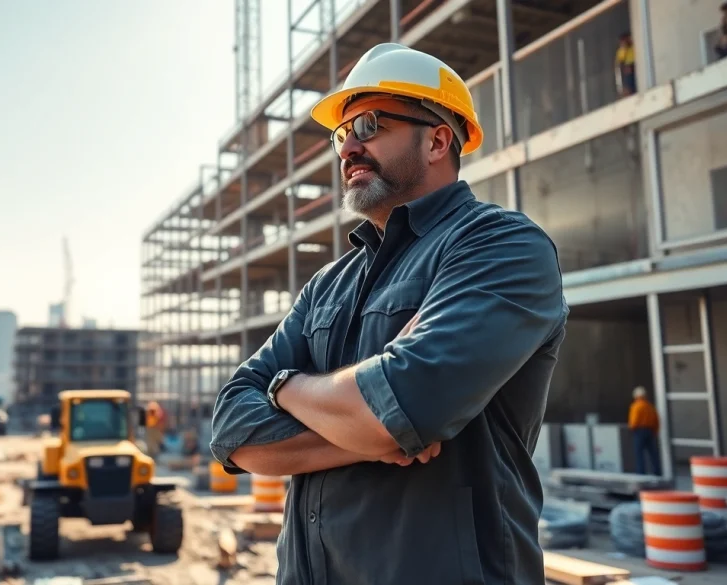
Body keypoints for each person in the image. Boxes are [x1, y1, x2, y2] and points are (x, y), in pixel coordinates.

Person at [209, 43, 569, 584]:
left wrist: (283, 389)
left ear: (437, 140)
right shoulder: (328, 284)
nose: (348, 147)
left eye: (370, 124)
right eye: (341, 134)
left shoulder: (500, 246)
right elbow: (232, 428)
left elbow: (399, 406)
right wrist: (363, 424)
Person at [628, 386, 661, 476]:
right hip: (650, 431)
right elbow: (656, 420)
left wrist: (631, 428)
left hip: (639, 431)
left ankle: (641, 473)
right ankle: (657, 472)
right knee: (653, 453)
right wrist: (655, 431)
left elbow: (634, 420)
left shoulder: (636, 406)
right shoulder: (650, 406)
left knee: (639, 454)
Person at [615, 32, 636, 97]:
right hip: (628, 68)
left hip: (635, 66)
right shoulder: (622, 50)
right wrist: (624, 48)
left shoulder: (633, 46)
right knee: (631, 86)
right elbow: (620, 62)